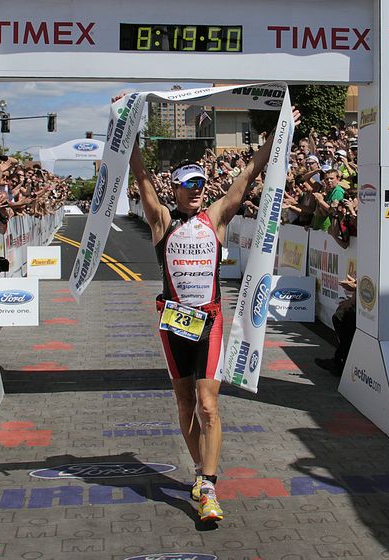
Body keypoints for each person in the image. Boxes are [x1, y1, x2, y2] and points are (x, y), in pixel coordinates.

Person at [128, 101, 301, 522]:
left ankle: (208, 484)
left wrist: (277, 136)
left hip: (209, 321)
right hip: (173, 323)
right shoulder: (160, 221)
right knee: (185, 404)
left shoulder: (216, 217)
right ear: (175, 188)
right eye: (189, 183)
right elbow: (141, 176)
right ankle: (197, 472)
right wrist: (126, 139)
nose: (197, 188)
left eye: (201, 182)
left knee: (209, 405)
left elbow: (245, 177)